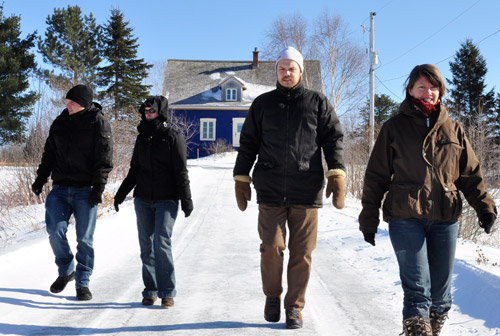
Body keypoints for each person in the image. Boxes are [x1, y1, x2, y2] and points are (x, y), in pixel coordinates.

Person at [358, 64, 497, 336]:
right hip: (404, 215)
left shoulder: (454, 130)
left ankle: (427, 329)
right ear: (410, 90)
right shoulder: (394, 128)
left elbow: (470, 175)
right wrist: (369, 217)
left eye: (433, 87)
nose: (428, 92)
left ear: (440, 91)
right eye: (421, 86)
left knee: (441, 297)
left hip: (445, 218)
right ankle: (417, 328)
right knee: (418, 290)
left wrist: (484, 208)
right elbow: (376, 176)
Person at [233, 46, 345, 329]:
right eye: (281, 68)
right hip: (270, 187)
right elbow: (248, 143)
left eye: (291, 68)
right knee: (271, 246)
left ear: (301, 70)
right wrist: (241, 176)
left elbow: (333, 139)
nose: (286, 73)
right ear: (276, 71)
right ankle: (273, 296)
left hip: (306, 189)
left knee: (302, 252)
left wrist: (336, 173)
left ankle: (294, 307)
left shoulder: (317, 102)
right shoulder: (262, 104)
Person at [31, 84, 113, 301]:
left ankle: (83, 282)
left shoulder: (98, 123)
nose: (67, 105)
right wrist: (41, 178)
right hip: (60, 188)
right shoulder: (60, 122)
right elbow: (49, 153)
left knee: (85, 239)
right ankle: (67, 269)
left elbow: (104, 160)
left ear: (84, 104)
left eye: (72, 102)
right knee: (54, 232)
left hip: (85, 189)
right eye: (67, 102)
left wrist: (98, 189)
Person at [113, 96, 193, 308]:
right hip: (143, 199)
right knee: (146, 246)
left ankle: (167, 292)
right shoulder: (142, 138)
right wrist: (121, 194)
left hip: (167, 199)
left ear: (161, 112)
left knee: (161, 242)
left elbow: (180, 171)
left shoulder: (173, 136)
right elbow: (134, 170)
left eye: (152, 111)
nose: (148, 114)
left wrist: (186, 200)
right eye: (145, 111)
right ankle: (150, 290)